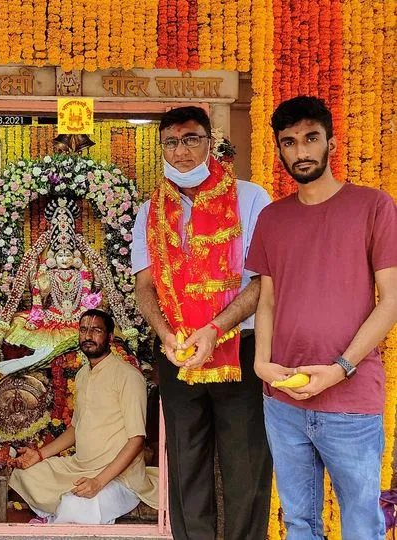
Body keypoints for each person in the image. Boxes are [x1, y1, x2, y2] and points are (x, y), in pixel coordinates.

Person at [246, 96, 397, 540]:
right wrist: (261, 365)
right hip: (284, 402)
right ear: (279, 151)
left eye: (311, 138)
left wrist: (339, 369)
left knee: (361, 524)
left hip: (351, 400)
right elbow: (268, 300)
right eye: (289, 142)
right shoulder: (273, 218)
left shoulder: (373, 207)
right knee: (299, 524)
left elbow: (390, 300)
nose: (301, 151)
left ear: (331, 142)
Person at [132, 106, 272, 540]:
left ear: (211, 143)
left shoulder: (250, 198)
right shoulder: (149, 212)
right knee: (187, 464)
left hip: (240, 348)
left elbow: (264, 283)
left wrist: (216, 329)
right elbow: (144, 289)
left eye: (191, 139)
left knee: (245, 463)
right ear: (162, 149)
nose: (182, 151)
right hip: (179, 352)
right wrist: (168, 336)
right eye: (171, 142)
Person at [8, 309, 158, 524]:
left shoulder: (128, 376)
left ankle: (61, 513)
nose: (88, 336)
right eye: (84, 330)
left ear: (110, 338)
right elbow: (75, 430)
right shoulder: (82, 375)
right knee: (24, 474)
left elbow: (136, 440)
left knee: (75, 505)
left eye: (96, 330)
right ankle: (59, 513)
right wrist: (39, 455)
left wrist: (98, 482)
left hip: (118, 476)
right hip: (81, 466)